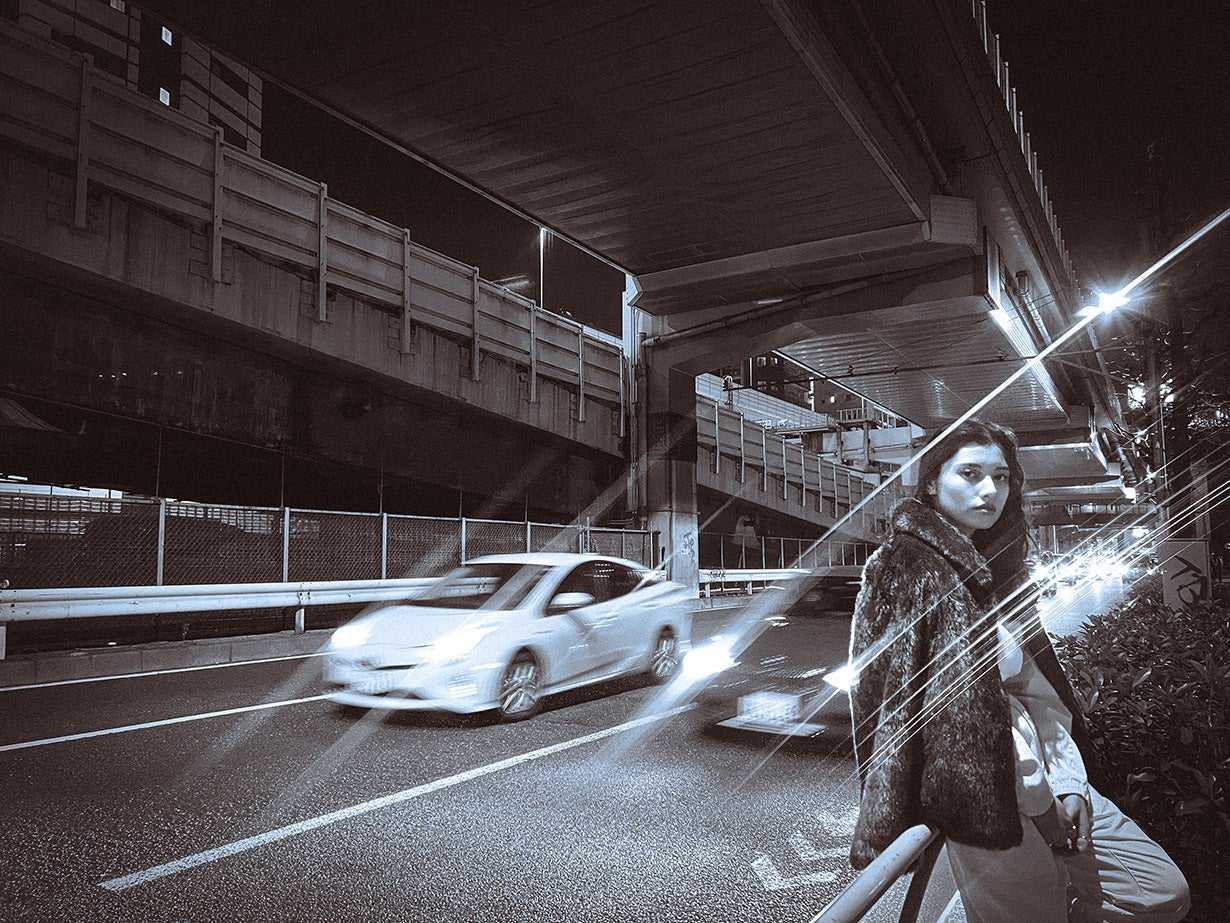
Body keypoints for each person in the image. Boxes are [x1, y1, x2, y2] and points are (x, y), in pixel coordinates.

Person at [847, 419, 1189, 922]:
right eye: (969, 473)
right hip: (982, 802)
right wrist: (1043, 804)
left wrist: (1068, 781)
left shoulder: (995, 568)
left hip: (1046, 777)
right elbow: (955, 721)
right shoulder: (909, 566)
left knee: (1159, 891)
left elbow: (1036, 692)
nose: (989, 490)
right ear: (932, 482)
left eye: (1001, 476)